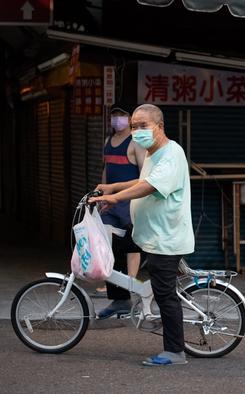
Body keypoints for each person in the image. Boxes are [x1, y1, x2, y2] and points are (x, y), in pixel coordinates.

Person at [90, 103, 194, 366]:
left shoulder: (171, 154)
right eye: (134, 126)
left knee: (164, 295)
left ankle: (174, 352)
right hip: (150, 234)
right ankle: (121, 300)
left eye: (142, 126)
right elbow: (141, 180)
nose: (137, 131)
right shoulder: (152, 153)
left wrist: (114, 198)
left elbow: (149, 186)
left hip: (166, 239)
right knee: (115, 247)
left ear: (159, 127)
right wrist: (113, 186)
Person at [95, 104, 146, 319]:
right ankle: (118, 291)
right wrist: (102, 191)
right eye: (114, 115)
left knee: (130, 246)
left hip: (129, 201)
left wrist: (122, 193)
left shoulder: (136, 143)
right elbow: (106, 169)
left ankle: (131, 283)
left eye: (122, 115)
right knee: (106, 242)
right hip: (110, 201)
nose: (117, 119)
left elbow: (146, 177)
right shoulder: (108, 142)